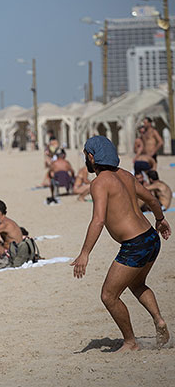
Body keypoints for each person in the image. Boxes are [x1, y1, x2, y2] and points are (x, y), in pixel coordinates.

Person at [72, 135, 171, 352]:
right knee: (136, 284)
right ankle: (159, 321)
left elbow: (98, 220)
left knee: (109, 295)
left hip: (135, 245)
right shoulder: (125, 175)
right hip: (151, 239)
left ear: (91, 157)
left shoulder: (99, 183)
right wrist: (160, 220)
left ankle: (130, 342)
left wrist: (85, 253)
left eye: (85, 156)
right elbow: (153, 200)